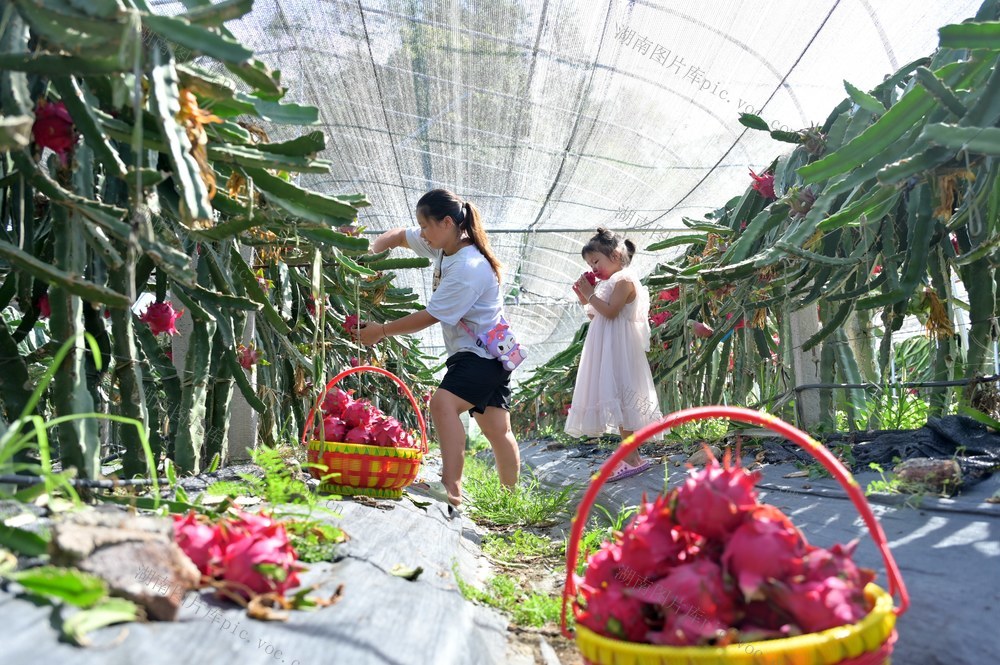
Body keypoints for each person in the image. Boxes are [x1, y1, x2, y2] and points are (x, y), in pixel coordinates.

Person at [352, 189, 520, 508]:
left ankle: (451, 488)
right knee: (497, 429)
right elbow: (400, 235)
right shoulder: (447, 244)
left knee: (442, 404)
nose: (423, 234)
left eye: (426, 226)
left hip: (480, 355)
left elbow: (431, 316)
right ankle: (511, 501)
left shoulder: (469, 267)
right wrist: (374, 251)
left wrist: (381, 331)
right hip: (493, 353)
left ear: (446, 223)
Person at [566, 228, 662, 481]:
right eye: (589, 264)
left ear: (617, 255)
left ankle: (631, 457)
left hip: (618, 347)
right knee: (618, 397)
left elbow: (609, 312)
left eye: (596, 261)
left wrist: (590, 294)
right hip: (608, 345)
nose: (593, 267)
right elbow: (594, 314)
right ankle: (632, 455)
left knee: (621, 395)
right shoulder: (610, 282)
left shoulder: (625, 280)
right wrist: (584, 298)